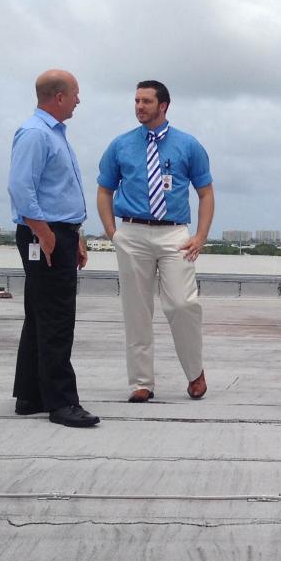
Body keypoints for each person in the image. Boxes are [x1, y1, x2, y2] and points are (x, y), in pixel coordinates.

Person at [96, 81, 214, 402]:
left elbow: (205, 193)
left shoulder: (188, 146)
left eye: (146, 101)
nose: (139, 106)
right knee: (136, 310)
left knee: (182, 304)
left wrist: (200, 236)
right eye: (136, 100)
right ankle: (141, 383)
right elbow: (105, 190)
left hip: (175, 232)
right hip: (132, 232)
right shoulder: (120, 146)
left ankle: (195, 372)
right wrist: (113, 233)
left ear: (163, 106)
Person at [7, 69, 100, 428]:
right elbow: (21, 189)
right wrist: (45, 234)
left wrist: (73, 233)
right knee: (57, 320)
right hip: (43, 236)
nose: (79, 99)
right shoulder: (35, 134)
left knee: (39, 318)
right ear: (58, 97)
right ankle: (63, 403)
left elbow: (56, 193)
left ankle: (30, 396)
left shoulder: (53, 133)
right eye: (76, 93)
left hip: (58, 232)